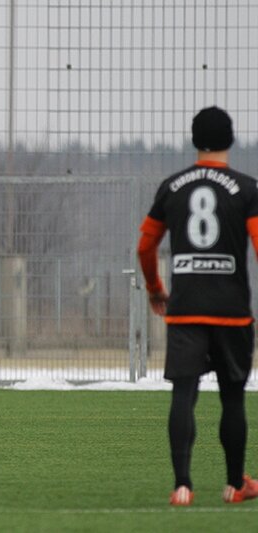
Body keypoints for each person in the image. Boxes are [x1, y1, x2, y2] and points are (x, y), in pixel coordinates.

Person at [138, 106, 258, 506]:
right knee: (232, 398)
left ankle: (182, 487)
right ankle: (235, 485)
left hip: (185, 308)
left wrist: (155, 288)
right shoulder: (247, 188)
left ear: (194, 141)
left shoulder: (172, 187)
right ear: (231, 139)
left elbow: (145, 246)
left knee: (183, 394)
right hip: (232, 312)